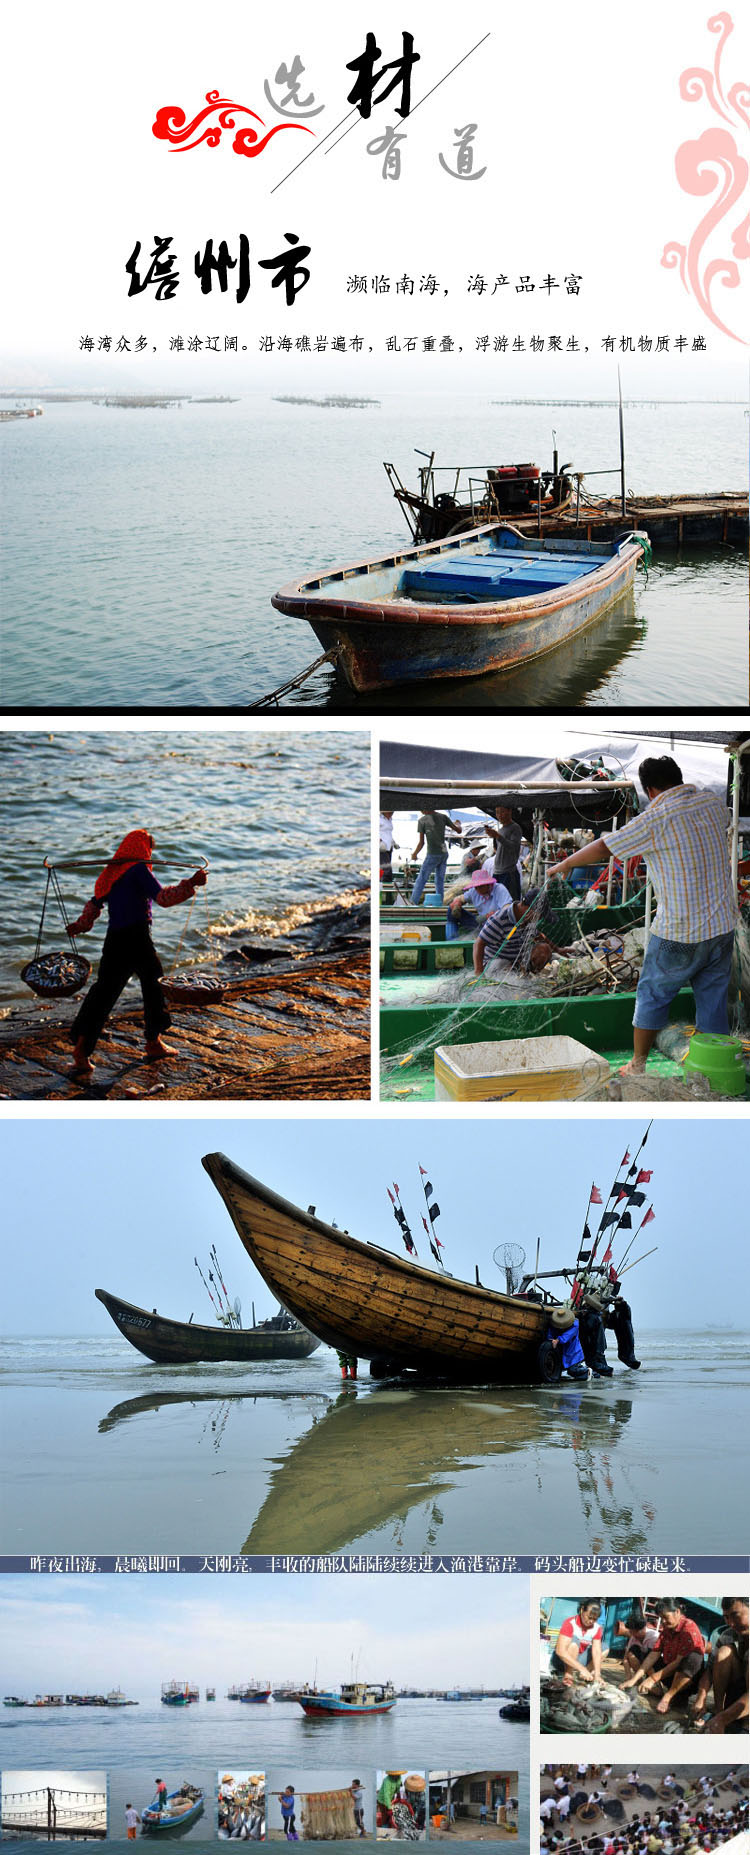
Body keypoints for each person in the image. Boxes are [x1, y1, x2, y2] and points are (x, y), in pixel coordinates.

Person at [547, 757, 738, 1074]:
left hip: (680, 932)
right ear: (678, 778)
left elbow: (605, 846)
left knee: (652, 994)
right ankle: (712, 1066)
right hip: (721, 927)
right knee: (713, 999)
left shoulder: (655, 817)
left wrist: (564, 865)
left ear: (649, 789)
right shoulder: (713, 803)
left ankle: (637, 1064)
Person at [67, 830, 208, 1081]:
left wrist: (80, 925)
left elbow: (94, 904)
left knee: (102, 994)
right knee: (154, 986)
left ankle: (81, 1052)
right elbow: (163, 898)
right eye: (149, 849)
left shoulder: (111, 874)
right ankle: (153, 1042)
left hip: (114, 941)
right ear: (143, 849)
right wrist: (191, 883)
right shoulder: (139, 870)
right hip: (137, 938)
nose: (150, 855)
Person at [623, 1600, 706, 1713]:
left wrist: (652, 1679)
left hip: (689, 1677)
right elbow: (654, 1654)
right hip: (671, 1674)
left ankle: (669, 1696)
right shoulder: (667, 1629)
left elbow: (679, 1662)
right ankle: (675, 1695)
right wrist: (634, 1679)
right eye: (662, 1618)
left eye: (666, 1617)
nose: (664, 1622)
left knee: (693, 1657)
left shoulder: (689, 1627)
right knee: (642, 1652)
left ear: (677, 1612)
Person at [691, 1597, 749, 1733]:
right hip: (737, 1696)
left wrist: (722, 1720)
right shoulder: (728, 1635)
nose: (731, 1623)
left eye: (735, 1615)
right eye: (726, 1617)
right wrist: (701, 1697)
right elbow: (710, 1671)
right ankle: (719, 1711)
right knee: (723, 1652)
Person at [473, 888, 555, 976]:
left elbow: (539, 936)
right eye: (540, 915)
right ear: (528, 909)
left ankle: (529, 974)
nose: (539, 919)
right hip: (497, 962)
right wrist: (479, 973)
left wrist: (557, 949)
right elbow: (478, 944)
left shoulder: (528, 920)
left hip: (518, 961)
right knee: (505, 968)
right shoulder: (499, 919)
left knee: (544, 949)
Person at [410, 810, 463, 905]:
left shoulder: (422, 821)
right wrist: (458, 824)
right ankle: (439, 903)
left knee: (421, 880)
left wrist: (414, 854)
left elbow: (421, 843)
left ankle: (413, 903)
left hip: (432, 854)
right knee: (439, 881)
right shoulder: (443, 817)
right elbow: (459, 830)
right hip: (444, 854)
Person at [446, 867, 512, 939]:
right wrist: (457, 903)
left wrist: (492, 915)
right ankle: (452, 941)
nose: (478, 889)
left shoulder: (500, 889)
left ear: (488, 884)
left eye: (480, 886)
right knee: (451, 909)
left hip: (497, 925)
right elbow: (461, 898)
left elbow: (507, 909)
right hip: (480, 923)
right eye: (476, 887)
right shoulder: (474, 891)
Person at [552, 1601, 604, 1682]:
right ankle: (568, 1674)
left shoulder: (597, 1628)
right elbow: (560, 1651)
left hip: (579, 1659)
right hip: (562, 1661)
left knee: (604, 1647)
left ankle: (584, 1674)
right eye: (589, 1617)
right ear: (582, 1610)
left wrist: (597, 1674)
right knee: (574, 1640)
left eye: (594, 1619)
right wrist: (581, 1668)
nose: (591, 1621)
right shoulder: (570, 1623)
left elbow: (597, 1651)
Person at [485, 804, 523, 900]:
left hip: (509, 872)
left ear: (509, 811)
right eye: (497, 812)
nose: (499, 815)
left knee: (511, 902)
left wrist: (498, 836)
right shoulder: (501, 830)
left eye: (502, 811)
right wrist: (496, 835)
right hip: (497, 871)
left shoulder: (515, 828)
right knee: (497, 901)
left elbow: (513, 847)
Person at [548, 1308, 591, 1383]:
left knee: (572, 1370)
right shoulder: (554, 1324)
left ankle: (589, 1371)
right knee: (565, 1368)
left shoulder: (575, 1325)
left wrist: (558, 1340)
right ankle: (591, 1373)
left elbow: (567, 1336)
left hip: (573, 1350)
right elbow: (550, 1333)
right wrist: (550, 1339)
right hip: (562, 1350)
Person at [379, 811, 396, 882]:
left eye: (392, 813)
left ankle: (386, 883)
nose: (391, 814)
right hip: (382, 846)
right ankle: (385, 885)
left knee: (387, 865)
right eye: (389, 813)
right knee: (386, 869)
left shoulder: (390, 819)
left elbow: (388, 832)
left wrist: (394, 842)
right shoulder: (378, 818)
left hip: (389, 846)